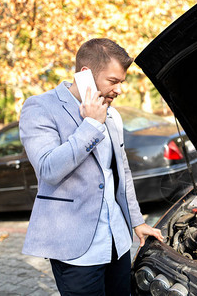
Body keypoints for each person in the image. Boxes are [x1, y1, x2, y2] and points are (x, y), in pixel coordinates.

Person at [19, 38, 164, 295]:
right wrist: (91, 126)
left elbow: (121, 173)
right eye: (113, 81)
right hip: (75, 250)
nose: (120, 90)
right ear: (86, 75)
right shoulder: (40, 108)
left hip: (117, 242)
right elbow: (48, 169)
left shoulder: (113, 114)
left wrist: (136, 222)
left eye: (122, 81)